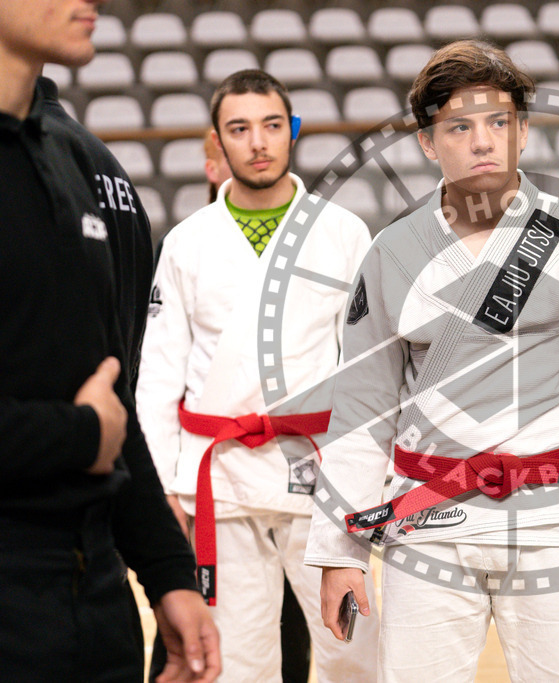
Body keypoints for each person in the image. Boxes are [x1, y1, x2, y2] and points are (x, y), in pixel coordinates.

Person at [305, 39, 559, 683]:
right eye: (460, 126)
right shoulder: (392, 251)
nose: (483, 141)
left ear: (523, 133)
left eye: (498, 123)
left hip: (550, 516)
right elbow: (362, 410)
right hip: (427, 518)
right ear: (430, 142)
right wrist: (338, 551)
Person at [0, 1, 220, 681]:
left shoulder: (73, 159)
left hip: (94, 596)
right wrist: (76, 433)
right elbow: (96, 423)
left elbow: (110, 396)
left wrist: (166, 574)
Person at [136, 69, 379, 682]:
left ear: (291, 132)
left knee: (355, 649)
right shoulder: (186, 242)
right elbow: (160, 371)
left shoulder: (344, 233)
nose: (258, 143)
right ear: (217, 143)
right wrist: (164, 482)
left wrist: (370, 471)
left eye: (272, 126)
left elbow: (368, 366)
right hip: (220, 477)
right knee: (237, 660)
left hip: (321, 471)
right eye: (239, 129)